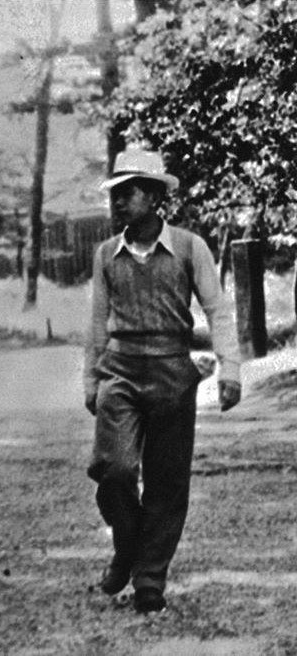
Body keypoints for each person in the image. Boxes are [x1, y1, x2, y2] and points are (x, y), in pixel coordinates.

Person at [83, 148, 242, 614]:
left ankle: (149, 578)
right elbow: (96, 322)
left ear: (154, 197)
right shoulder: (106, 254)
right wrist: (91, 380)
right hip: (120, 369)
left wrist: (229, 369)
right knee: (112, 470)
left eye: (128, 192)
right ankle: (127, 548)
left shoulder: (190, 247)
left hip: (173, 371)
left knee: (167, 481)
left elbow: (217, 309)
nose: (118, 202)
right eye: (114, 193)